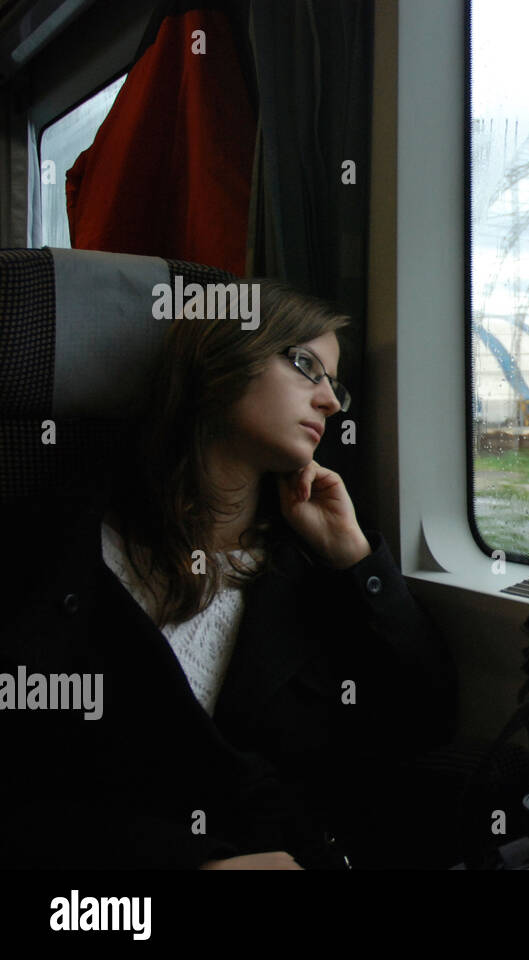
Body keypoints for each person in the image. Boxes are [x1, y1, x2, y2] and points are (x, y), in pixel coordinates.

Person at [0, 280, 460, 869]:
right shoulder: (56, 543)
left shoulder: (314, 562)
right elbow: (20, 779)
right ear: (220, 358)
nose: (332, 403)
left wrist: (357, 562)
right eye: (305, 366)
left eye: (335, 384)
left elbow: (425, 721)